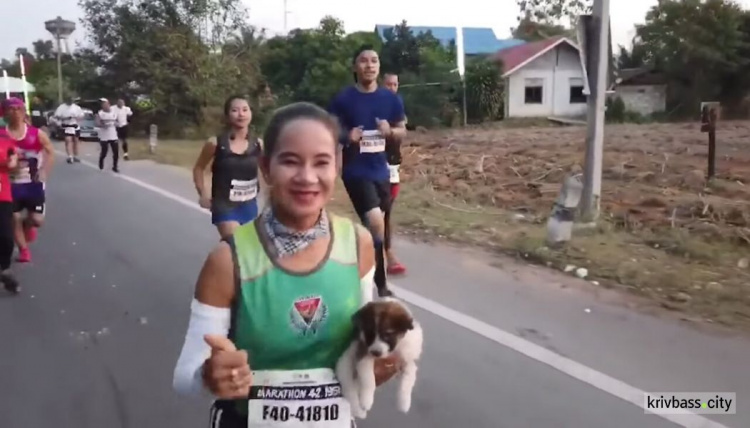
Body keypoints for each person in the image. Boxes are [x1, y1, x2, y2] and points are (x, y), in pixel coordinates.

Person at [172, 102, 401, 427]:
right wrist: (210, 375)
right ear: (266, 167)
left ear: (336, 165)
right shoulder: (228, 261)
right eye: (290, 161)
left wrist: (374, 363)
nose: (307, 177)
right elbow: (185, 377)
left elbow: (361, 343)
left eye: (321, 162)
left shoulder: (358, 243)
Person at [328, 46, 407, 297]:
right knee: (375, 222)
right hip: (355, 171)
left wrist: (390, 132)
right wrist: (346, 136)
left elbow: (402, 129)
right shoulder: (344, 99)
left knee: (377, 229)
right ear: (355, 67)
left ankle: (354, 260)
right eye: (363, 61)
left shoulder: (390, 99)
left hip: (381, 171)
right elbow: (328, 129)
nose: (369, 65)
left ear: (379, 67)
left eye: (374, 61)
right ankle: (381, 286)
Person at [192, 95, 265, 239]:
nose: (241, 114)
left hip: (249, 204)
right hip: (224, 204)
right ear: (227, 115)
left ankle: (223, 259)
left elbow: (268, 172)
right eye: (235, 110)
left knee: (246, 250)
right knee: (235, 242)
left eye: (245, 110)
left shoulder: (258, 144)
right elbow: (199, 168)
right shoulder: (215, 143)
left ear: (251, 113)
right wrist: (203, 194)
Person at [0, 97, 56, 263]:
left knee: (37, 220)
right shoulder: (1, 135)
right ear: (5, 113)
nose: (16, 112)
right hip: (10, 185)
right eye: (11, 109)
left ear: (24, 112)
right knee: (14, 218)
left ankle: (28, 226)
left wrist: (44, 171)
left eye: (19, 109)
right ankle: (24, 251)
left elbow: (50, 152)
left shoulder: (36, 134)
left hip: (33, 183)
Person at [381, 72, 407, 275]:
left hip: (393, 165)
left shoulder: (398, 105)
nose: (392, 88)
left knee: (387, 210)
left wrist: (392, 132)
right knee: (377, 211)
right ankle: (386, 253)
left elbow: (401, 131)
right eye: (388, 84)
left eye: (395, 84)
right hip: (374, 164)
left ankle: (386, 252)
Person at [0, 133, 19, 294]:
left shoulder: (6, 141)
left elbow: (13, 163)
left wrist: (9, 162)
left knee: (6, 237)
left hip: (2, 194)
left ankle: (4, 268)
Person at [54, 97, 84, 164]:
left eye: (71, 100)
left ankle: (75, 155)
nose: (70, 101)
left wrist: (77, 117)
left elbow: (81, 115)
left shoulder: (76, 107)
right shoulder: (61, 107)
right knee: (68, 140)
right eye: (69, 100)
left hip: (75, 125)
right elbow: (56, 116)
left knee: (76, 141)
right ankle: (70, 157)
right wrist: (65, 118)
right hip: (66, 126)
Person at [95, 98, 120, 173]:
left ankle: (115, 166)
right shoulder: (100, 113)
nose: (105, 106)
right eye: (103, 105)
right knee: (104, 151)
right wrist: (103, 125)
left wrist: (117, 124)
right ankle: (101, 161)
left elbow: (117, 122)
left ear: (109, 105)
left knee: (116, 152)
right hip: (104, 136)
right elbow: (97, 123)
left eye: (106, 104)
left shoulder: (114, 113)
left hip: (113, 134)